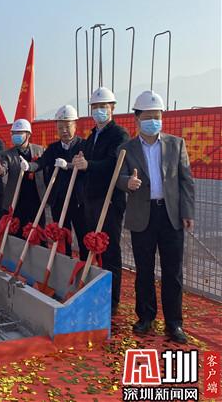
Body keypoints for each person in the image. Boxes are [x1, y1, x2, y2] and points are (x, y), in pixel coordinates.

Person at [117, 90, 194, 343]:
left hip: (171, 215)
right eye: (148, 116)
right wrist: (128, 182)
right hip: (143, 216)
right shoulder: (126, 148)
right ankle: (146, 317)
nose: (153, 121)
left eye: (157, 116)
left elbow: (186, 181)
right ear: (137, 119)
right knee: (144, 270)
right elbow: (118, 178)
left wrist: (187, 212)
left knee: (173, 272)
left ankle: (174, 323)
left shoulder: (176, 144)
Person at [72, 87, 129, 316]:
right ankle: (96, 290)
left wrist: (89, 165)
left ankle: (112, 300)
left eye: (103, 107)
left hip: (110, 200)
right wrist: (80, 161)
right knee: (94, 247)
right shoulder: (92, 135)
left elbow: (114, 163)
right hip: (91, 199)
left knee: (110, 249)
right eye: (95, 107)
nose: (98, 111)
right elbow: (86, 160)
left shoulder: (119, 135)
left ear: (112, 108)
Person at [27, 105, 88, 257]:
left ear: (75, 125)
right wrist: (29, 166)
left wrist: (69, 165)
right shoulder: (53, 148)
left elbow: (87, 166)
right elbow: (41, 162)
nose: (64, 131)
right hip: (58, 199)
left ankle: (84, 264)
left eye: (67, 127)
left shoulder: (84, 145)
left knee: (82, 233)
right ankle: (64, 261)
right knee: (61, 234)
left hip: (78, 200)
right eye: (60, 128)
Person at [0, 119, 44, 237]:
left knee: (38, 232)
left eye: (19, 133)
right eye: (13, 133)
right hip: (17, 200)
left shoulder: (39, 150)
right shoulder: (7, 154)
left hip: (37, 199)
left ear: (28, 134)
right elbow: (4, 167)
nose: (15, 136)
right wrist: (1, 170)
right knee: (18, 233)